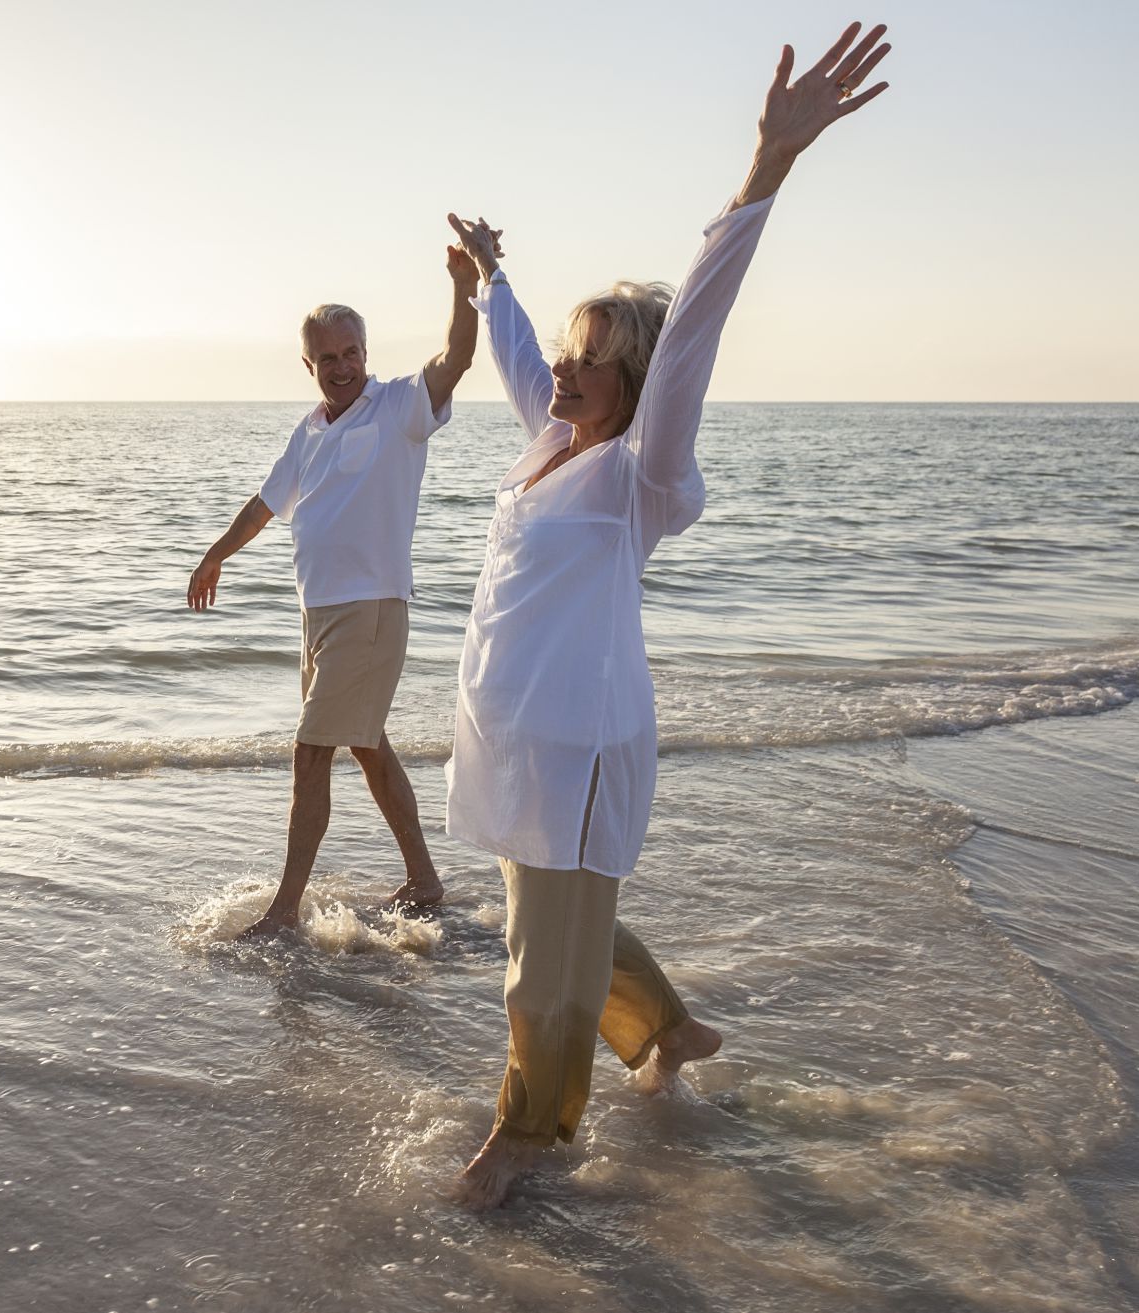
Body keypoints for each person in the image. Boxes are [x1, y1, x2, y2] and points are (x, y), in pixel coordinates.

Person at [441, 23, 894, 1208]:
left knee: (540, 963)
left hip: (581, 740)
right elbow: (511, 355)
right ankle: (669, 1030)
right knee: (552, 923)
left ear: (635, 380)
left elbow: (692, 330)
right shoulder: (548, 446)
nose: (564, 371)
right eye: (567, 354)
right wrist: (491, 275)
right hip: (517, 737)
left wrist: (764, 170)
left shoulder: (638, 471)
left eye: (591, 359)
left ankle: (527, 1138)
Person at [187, 243, 482, 938]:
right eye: (329, 359)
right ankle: (426, 879)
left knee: (311, 748)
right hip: (317, 616)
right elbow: (264, 506)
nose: (344, 367)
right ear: (310, 365)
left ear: (365, 352)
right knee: (367, 745)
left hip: (372, 608)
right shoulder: (310, 430)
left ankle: (285, 909)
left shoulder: (399, 408)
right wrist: (214, 556)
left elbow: (456, 359)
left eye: (352, 353)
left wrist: (463, 287)